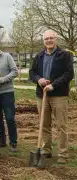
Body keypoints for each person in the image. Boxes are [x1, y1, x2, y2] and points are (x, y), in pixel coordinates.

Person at [29, 30, 74, 164]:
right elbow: (32, 73)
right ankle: (46, 150)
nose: (49, 40)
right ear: (44, 41)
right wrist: (39, 80)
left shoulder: (64, 55)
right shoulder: (39, 56)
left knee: (61, 125)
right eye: (46, 39)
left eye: (51, 38)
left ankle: (63, 154)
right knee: (45, 125)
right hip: (42, 95)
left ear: (56, 39)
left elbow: (69, 74)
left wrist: (53, 85)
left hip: (58, 95)